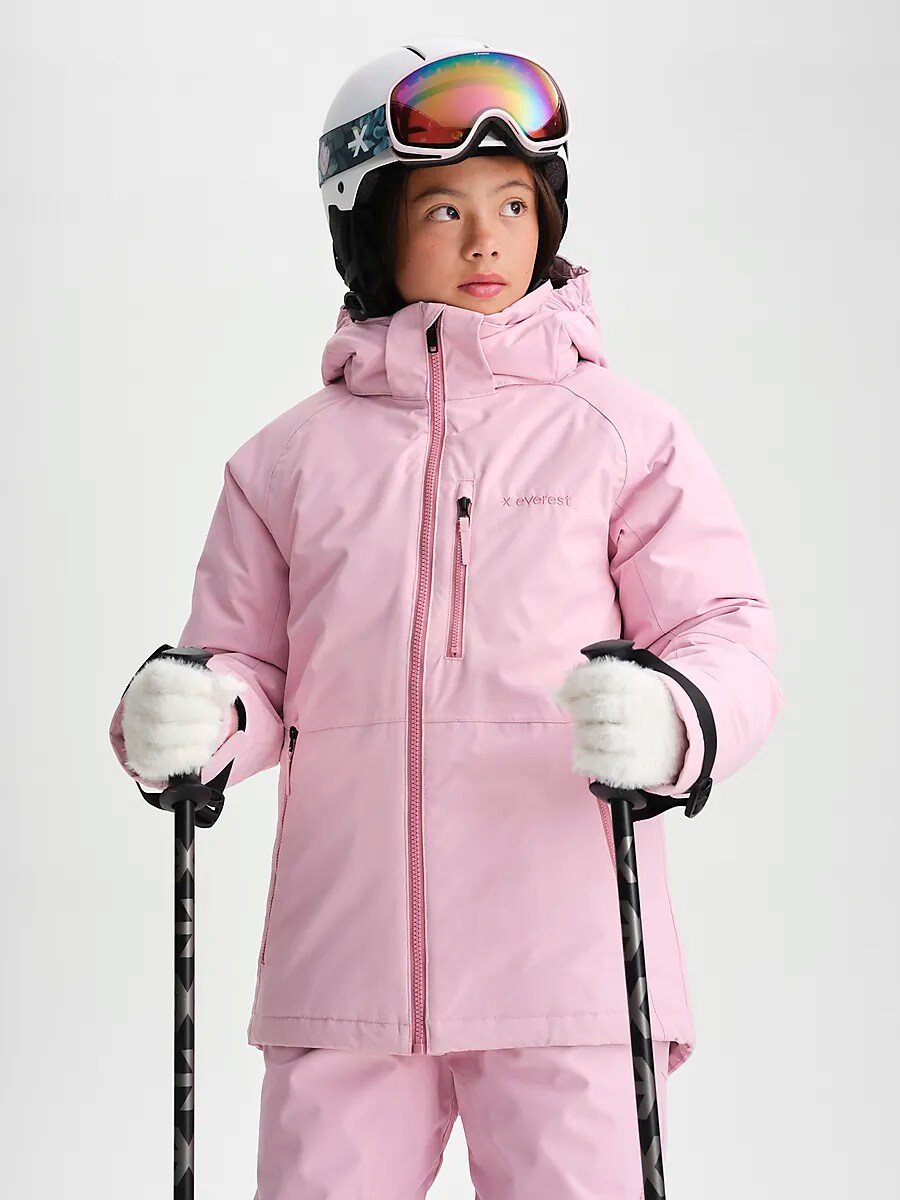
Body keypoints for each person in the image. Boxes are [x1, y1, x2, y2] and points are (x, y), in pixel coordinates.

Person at [108, 37, 784, 1198]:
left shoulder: (622, 435)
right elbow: (246, 665)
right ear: (368, 231)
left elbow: (725, 628)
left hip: (567, 969)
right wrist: (196, 715)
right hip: (346, 972)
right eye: (444, 210)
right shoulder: (286, 464)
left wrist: (678, 715)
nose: (487, 241)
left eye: (514, 204)